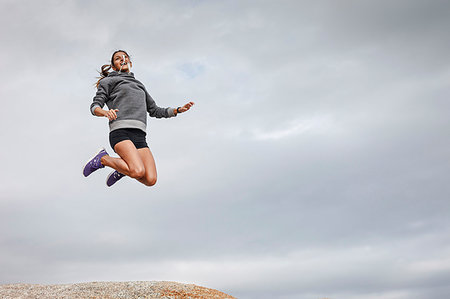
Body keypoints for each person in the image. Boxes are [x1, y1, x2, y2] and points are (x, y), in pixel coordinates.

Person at [83, 50, 194, 187]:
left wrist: (176, 110)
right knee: (137, 171)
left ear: (130, 62)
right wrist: (105, 112)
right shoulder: (109, 81)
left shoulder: (139, 85)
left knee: (150, 179)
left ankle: (123, 168)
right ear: (113, 66)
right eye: (118, 58)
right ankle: (103, 159)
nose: (122, 59)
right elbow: (94, 106)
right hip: (121, 131)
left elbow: (154, 110)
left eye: (125, 57)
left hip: (140, 136)